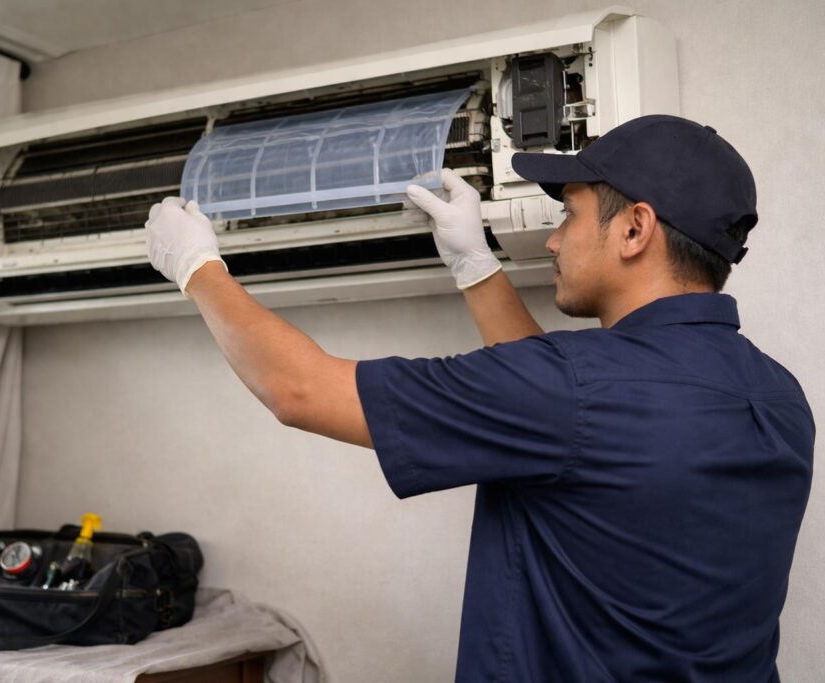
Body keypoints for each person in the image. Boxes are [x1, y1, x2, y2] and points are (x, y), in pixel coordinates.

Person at [144, 114, 814, 682]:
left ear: (635, 229)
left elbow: (299, 389)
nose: (554, 238)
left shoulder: (573, 388)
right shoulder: (780, 397)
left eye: (569, 214)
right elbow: (569, 426)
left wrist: (197, 267)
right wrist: (476, 265)